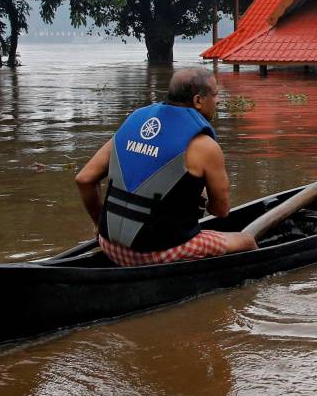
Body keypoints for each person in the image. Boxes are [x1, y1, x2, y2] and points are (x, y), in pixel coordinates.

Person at [74, 67, 257, 266]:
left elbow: (84, 179)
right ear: (198, 101)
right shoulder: (205, 146)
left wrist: (99, 224)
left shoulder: (135, 122)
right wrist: (204, 201)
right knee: (246, 241)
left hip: (108, 244)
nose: (218, 101)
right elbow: (221, 211)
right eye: (215, 94)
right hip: (153, 254)